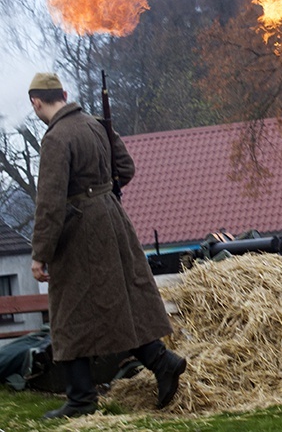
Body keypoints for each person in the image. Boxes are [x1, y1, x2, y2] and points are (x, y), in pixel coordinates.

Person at [28, 72, 187, 419]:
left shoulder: (56, 138)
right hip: (112, 221)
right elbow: (125, 170)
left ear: (36, 102)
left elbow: (51, 202)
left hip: (79, 231)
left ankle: (82, 400)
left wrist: (40, 253)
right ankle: (162, 362)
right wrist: (102, 190)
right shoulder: (96, 125)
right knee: (119, 304)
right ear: (64, 94)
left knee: (69, 311)